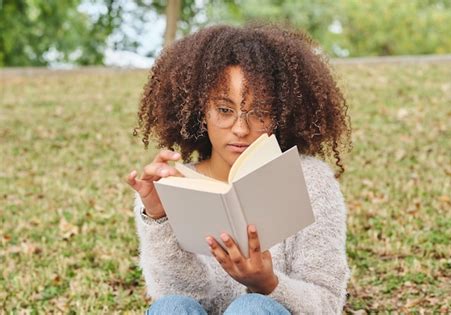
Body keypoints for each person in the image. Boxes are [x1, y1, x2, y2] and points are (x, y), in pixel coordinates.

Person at [127, 23, 351, 314]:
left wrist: (268, 284)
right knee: (171, 307)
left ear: (281, 114)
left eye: (259, 112)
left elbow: (327, 304)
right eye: (224, 110)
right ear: (200, 112)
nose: (241, 129)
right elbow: (178, 297)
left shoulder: (311, 180)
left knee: (252, 308)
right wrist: (159, 219)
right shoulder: (172, 185)